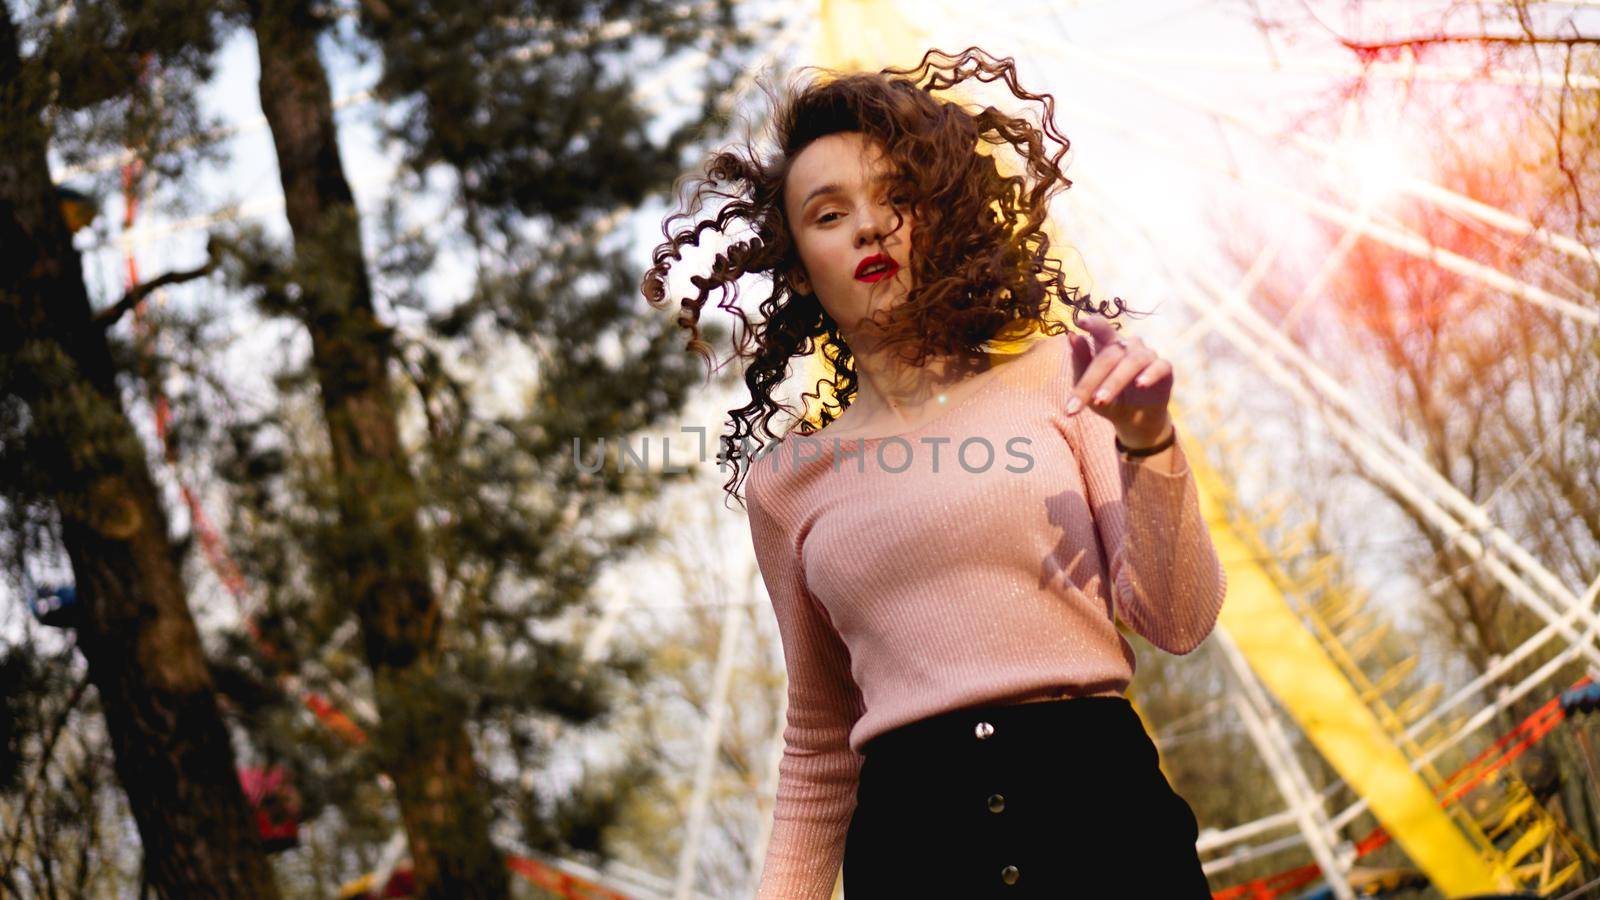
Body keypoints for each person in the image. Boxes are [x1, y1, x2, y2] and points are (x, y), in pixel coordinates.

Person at [642, 46, 1226, 899]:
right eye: (829, 213)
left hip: (1107, 834)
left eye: (896, 199)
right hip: (914, 856)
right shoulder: (787, 484)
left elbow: (1178, 620)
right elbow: (817, 741)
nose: (871, 227)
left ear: (937, 219)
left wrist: (1147, 441)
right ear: (799, 267)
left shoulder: (1067, 379)